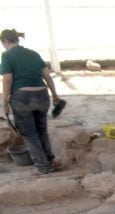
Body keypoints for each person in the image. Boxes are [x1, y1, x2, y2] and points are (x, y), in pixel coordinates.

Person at [1, 29, 64, 175]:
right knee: (42, 130)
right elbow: (47, 76)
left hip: (22, 98)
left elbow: (7, 78)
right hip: (42, 95)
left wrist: (4, 102)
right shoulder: (33, 54)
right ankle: (51, 160)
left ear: (5, 41)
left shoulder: (7, 55)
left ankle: (42, 166)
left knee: (29, 133)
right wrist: (55, 95)